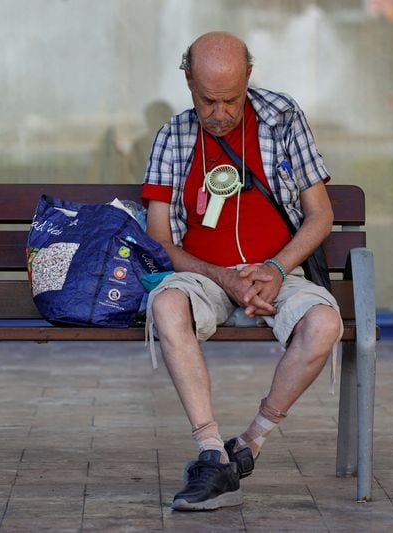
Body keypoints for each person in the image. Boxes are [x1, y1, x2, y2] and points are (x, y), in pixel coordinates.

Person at [141, 31, 343, 511]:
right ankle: (210, 451)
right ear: (188, 81)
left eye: (231, 99)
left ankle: (248, 445)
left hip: (280, 270)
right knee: (167, 303)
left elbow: (321, 216)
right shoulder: (173, 136)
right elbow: (159, 241)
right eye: (208, 100)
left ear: (249, 76)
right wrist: (224, 277)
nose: (221, 113)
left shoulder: (282, 118)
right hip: (204, 275)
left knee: (325, 324)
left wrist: (275, 268)